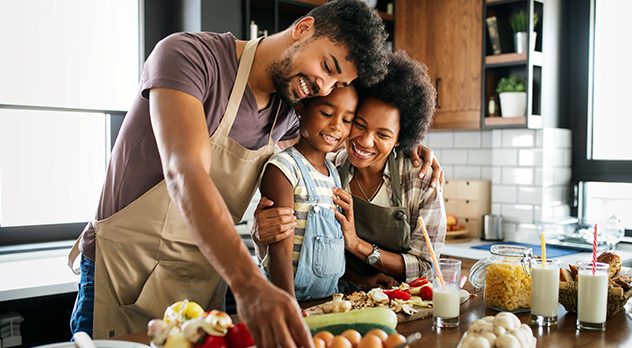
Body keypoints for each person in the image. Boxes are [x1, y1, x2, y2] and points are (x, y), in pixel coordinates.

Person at [67, 0, 391, 344]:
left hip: (202, 283)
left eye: (335, 83)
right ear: (303, 29)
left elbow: (339, 144)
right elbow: (185, 171)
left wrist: (405, 148)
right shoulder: (188, 57)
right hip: (126, 275)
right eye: (327, 66)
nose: (323, 87)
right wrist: (249, 283)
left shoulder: (289, 110)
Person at [253, 51, 446, 292]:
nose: (365, 141)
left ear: (400, 139)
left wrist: (357, 245)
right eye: (359, 124)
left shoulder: (420, 180)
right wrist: (261, 230)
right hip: (339, 299)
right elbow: (290, 246)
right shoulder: (329, 167)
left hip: (404, 301)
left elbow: (427, 266)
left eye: (383, 135)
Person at [261, 86, 357, 301]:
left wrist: (362, 280)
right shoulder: (283, 168)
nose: (336, 126)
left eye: (347, 120)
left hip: (327, 300)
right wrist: (289, 306)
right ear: (301, 109)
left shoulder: (333, 173)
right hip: (286, 300)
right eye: (326, 113)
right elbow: (280, 250)